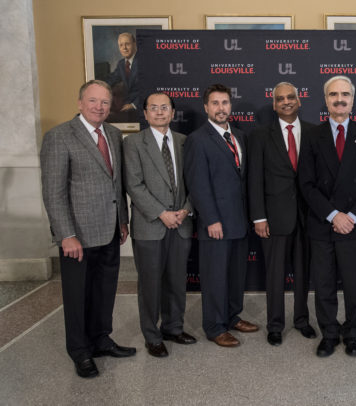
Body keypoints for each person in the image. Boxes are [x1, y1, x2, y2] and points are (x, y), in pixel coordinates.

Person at [39, 80, 134, 378]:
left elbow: (115, 184)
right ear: (80, 103)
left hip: (109, 229)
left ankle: (101, 339)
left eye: (105, 102)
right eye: (93, 101)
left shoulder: (115, 135)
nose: (99, 107)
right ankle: (80, 351)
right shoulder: (59, 137)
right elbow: (53, 192)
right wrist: (66, 234)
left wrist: (122, 220)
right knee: (78, 295)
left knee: (104, 290)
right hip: (77, 235)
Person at [298, 75, 356, 358]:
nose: (339, 99)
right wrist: (334, 215)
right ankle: (330, 334)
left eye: (345, 94)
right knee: (323, 284)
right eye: (333, 94)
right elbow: (306, 184)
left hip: (354, 226)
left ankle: (353, 333)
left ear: (352, 99)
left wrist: (352, 216)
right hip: (323, 225)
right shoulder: (311, 135)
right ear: (325, 100)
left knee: (354, 284)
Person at [183, 83, 259, 348]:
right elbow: (198, 184)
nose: (220, 108)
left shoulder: (240, 136)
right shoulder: (197, 139)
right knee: (215, 277)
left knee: (235, 275)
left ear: (230, 105)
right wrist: (211, 219)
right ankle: (215, 327)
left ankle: (231, 316)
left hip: (239, 221)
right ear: (206, 107)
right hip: (215, 223)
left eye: (225, 103)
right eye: (215, 103)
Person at [123, 92, 196, 358]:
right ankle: (152, 336)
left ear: (172, 112)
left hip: (181, 224)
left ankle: (174, 328)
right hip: (150, 225)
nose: (159, 112)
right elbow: (133, 184)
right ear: (144, 113)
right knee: (150, 284)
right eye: (153, 108)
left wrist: (185, 210)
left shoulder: (184, 142)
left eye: (164, 107)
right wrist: (162, 213)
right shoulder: (133, 143)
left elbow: (193, 181)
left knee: (177, 281)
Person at [248, 82, 317, 346]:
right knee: (275, 274)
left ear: (299, 101)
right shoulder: (260, 136)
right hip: (274, 218)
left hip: (308, 217)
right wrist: (258, 217)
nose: (286, 102)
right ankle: (275, 324)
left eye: (291, 97)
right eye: (280, 99)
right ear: (274, 104)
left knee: (303, 272)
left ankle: (302, 320)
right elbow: (254, 180)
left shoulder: (313, 132)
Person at [105, 32, 140, 119]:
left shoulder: (144, 61)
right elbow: (112, 79)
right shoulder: (121, 64)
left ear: (134, 44)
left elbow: (150, 88)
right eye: (121, 45)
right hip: (126, 106)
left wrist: (133, 105)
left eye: (127, 44)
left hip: (141, 106)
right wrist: (98, 86)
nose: (124, 48)